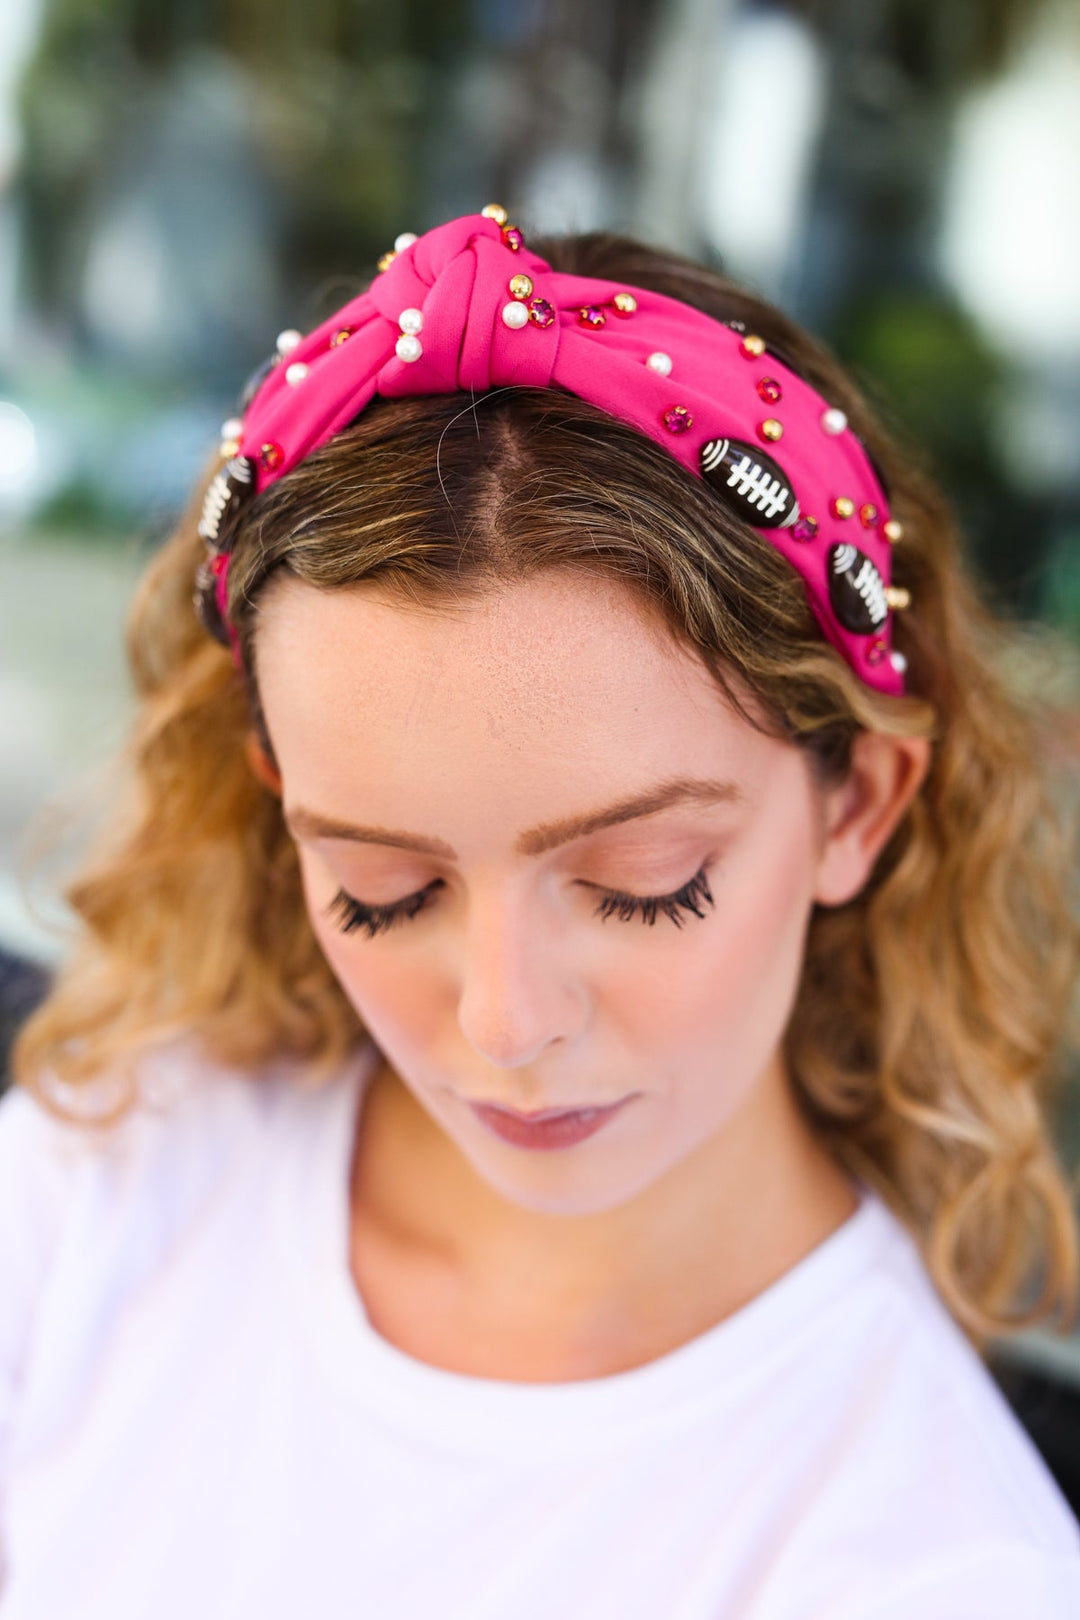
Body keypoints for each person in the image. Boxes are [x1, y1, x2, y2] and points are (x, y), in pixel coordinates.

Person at [2, 204, 1080, 1619]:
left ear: (858, 804)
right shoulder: (104, 1181)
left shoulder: (927, 1555)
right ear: (276, 798)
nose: (505, 1023)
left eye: (644, 885)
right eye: (386, 887)